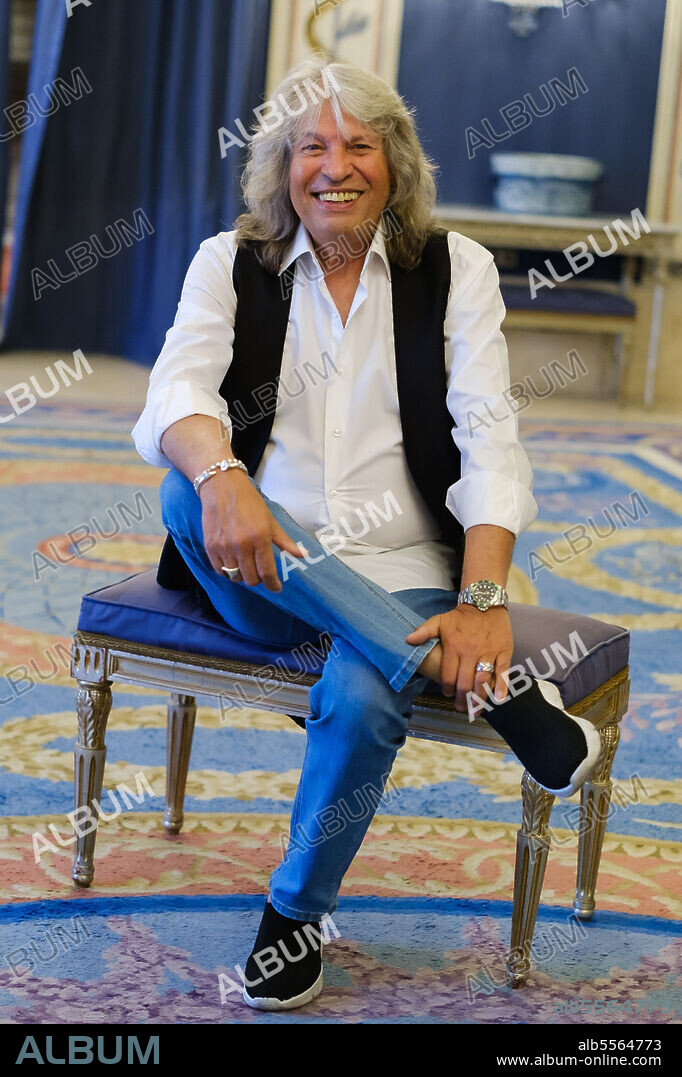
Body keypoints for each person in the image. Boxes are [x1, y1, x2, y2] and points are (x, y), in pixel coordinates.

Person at [132, 57, 599, 1012]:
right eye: (312, 146)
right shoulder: (228, 261)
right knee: (188, 486)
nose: (334, 166)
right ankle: (506, 704)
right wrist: (225, 476)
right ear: (281, 166)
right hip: (259, 566)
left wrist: (480, 600)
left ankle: (293, 912)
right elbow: (172, 396)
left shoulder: (453, 269)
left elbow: (488, 436)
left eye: (359, 144)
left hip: (411, 572)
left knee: (362, 687)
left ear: (396, 162)